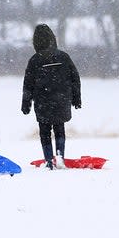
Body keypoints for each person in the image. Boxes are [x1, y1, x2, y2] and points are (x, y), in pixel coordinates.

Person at [21, 23, 81, 169]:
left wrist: (26, 103)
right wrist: (76, 98)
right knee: (60, 128)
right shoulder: (63, 57)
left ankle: (49, 160)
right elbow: (75, 78)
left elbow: (28, 84)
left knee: (45, 131)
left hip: (43, 101)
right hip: (61, 99)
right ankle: (60, 157)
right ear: (52, 38)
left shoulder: (35, 60)